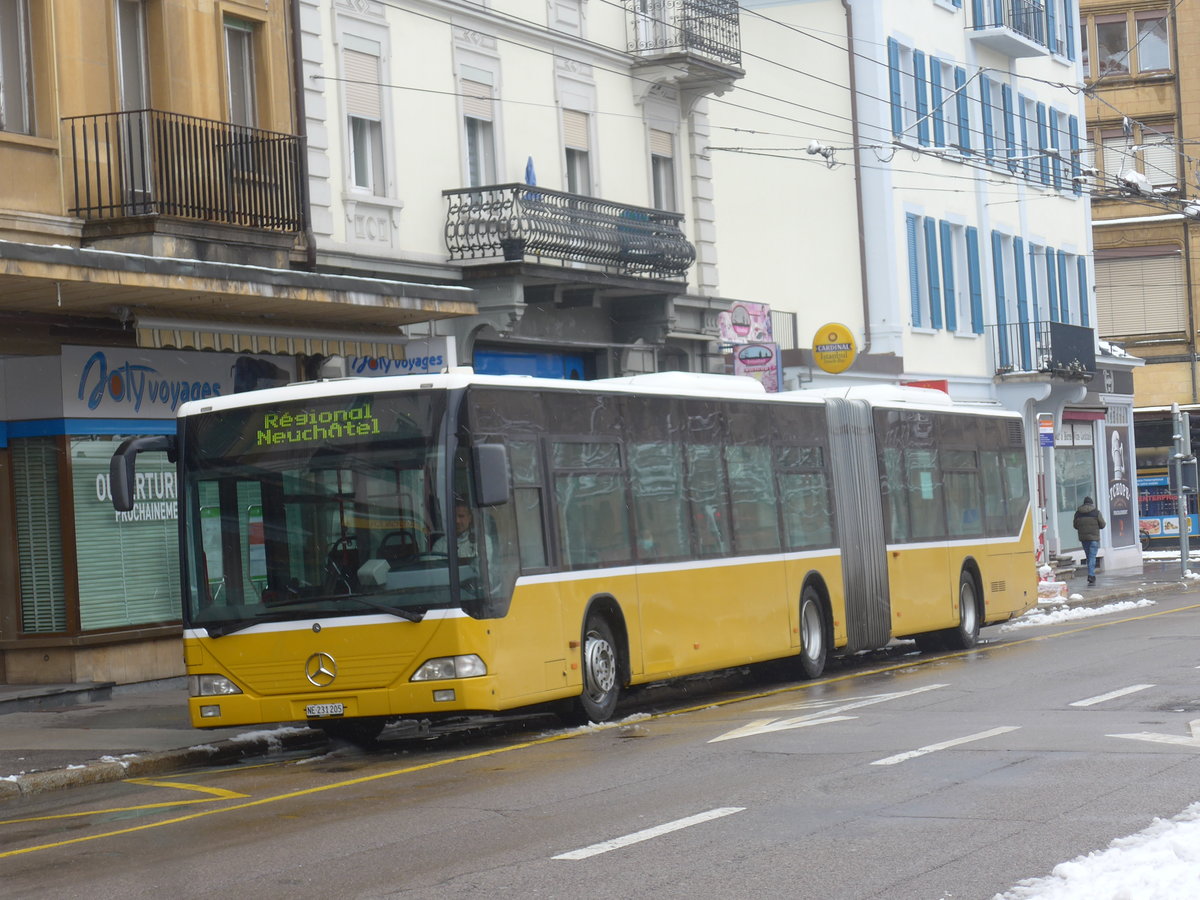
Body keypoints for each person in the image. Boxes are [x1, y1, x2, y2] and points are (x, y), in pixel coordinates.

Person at [1073, 496, 1106, 585]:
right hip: (1094, 538)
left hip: (1084, 538)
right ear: (1091, 503)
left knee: (1088, 556)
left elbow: (1075, 525)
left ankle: (1091, 574)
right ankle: (1091, 575)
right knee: (1092, 557)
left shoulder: (1078, 513)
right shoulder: (1096, 512)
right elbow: (1102, 525)